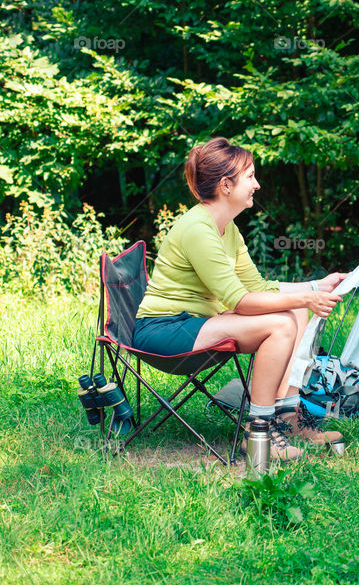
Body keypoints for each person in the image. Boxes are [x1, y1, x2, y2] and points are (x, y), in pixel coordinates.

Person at [133, 137, 347, 461]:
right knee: (280, 324)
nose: (257, 185)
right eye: (250, 176)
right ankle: (259, 432)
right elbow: (240, 302)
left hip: (195, 323)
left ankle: (288, 417)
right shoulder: (198, 229)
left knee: (295, 314)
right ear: (226, 186)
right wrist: (306, 297)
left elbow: (256, 285)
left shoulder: (226, 227)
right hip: (164, 330)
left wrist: (316, 286)